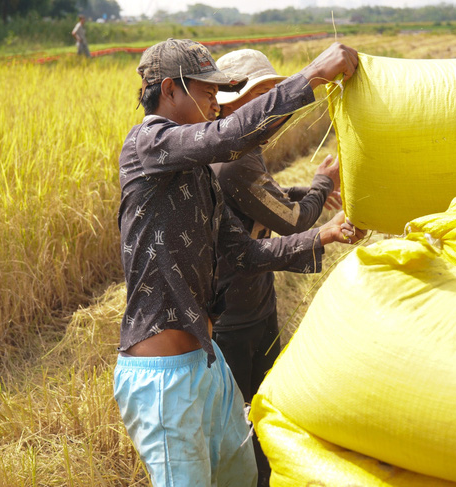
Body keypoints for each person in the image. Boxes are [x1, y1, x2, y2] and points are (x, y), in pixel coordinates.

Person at [112, 38, 361, 487]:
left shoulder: (199, 175)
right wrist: (315, 75)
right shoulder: (146, 143)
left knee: (243, 478)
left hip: (209, 366)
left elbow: (245, 254)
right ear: (169, 89)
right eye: (207, 89)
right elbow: (227, 138)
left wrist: (323, 233)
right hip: (164, 384)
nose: (215, 99)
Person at [210, 48, 342, 486]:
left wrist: (307, 187)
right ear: (230, 100)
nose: (271, 110)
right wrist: (323, 184)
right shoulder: (234, 160)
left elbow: (265, 197)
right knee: (242, 420)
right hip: (232, 317)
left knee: (265, 407)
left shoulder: (238, 147)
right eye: (262, 97)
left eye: (273, 96)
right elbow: (292, 221)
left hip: (254, 303)